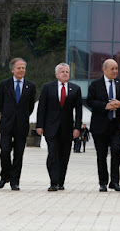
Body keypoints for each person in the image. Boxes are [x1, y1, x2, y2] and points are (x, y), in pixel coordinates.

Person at [86, 59, 120, 192]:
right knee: (101, 155)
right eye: (112, 69)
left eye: (116, 68)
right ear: (104, 69)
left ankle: (115, 182)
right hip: (100, 126)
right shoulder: (95, 84)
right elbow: (90, 101)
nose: (115, 71)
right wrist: (105, 106)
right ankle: (103, 182)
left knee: (116, 151)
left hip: (116, 126)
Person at [36, 63, 82, 191]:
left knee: (64, 155)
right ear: (56, 74)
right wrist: (39, 125)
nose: (65, 74)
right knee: (52, 154)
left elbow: (78, 110)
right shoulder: (47, 87)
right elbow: (42, 107)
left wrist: (77, 127)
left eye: (67, 71)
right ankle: (53, 181)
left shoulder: (75, 89)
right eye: (62, 71)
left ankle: (61, 181)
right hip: (51, 127)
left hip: (67, 129)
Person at [0, 58, 36, 190]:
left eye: (23, 68)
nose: (21, 70)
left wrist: (21, 117)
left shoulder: (30, 86)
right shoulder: (4, 84)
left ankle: (15, 181)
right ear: (13, 69)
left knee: (19, 154)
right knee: (4, 151)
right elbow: (0, 104)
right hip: (7, 124)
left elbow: (30, 107)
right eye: (19, 68)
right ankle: (4, 176)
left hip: (21, 125)